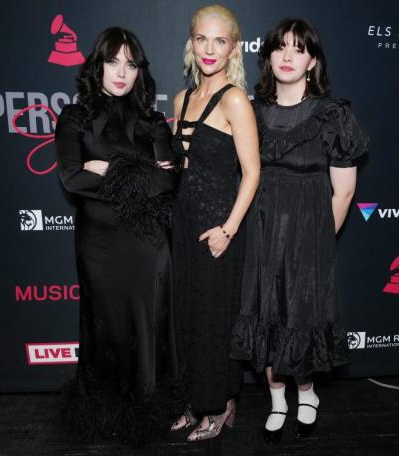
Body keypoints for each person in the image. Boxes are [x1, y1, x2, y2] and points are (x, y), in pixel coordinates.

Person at [230, 18, 369, 443]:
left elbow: (343, 193)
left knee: (301, 316)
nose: (288, 56)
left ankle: (306, 393)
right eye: (280, 48)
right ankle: (277, 400)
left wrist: (319, 243)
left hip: (310, 235)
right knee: (265, 315)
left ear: (312, 61)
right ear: (268, 57)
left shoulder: (333, 116)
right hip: (260, 233)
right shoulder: (250, 113)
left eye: (299, 48)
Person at [55, 27, 181, 446]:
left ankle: (147, 408)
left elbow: (168, 183)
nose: (121, 72)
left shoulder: (153, 121)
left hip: (147, 244)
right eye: (113, 62)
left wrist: (105, 167)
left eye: (130, 64)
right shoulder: (74, 117)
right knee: (103, 325)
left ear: (139, 71)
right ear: (98, 65)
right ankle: (104, 410)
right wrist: (138, 170)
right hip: (100, 243)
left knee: (147, 326)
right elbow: (73, 179)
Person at [170, 4, 260, 442]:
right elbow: (185, 167)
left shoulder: (236, 99)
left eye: (219, 41)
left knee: (214, 318)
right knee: (188, 314)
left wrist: (229, 228)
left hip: (220, 227)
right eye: (201, 39)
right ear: (191, 43)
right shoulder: (181, 98)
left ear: (233, 49)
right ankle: (195, 399)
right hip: (185, 224)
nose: (209, 49)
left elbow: (253, 171)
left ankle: (221, 404)